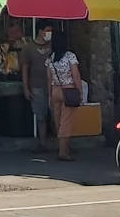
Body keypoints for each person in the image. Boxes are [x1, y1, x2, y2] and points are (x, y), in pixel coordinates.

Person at [46, 31, 82, 162]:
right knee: (66, 122)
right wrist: (80, 91)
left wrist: (50, 95)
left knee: (58, 121)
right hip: (69, 91)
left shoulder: (50, 58)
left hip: (55, 90)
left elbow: (49, 79)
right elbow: (76, 75)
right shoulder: (70, 57)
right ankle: (63, 152)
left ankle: (62, 147)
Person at [20, 20, 54, 149]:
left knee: (56, 114)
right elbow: (25, 68)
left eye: (50, 31)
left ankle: (61, 143)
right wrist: (26, 88)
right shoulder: (28, 48)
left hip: (54, 84)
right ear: (40, 31)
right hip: (37, 85)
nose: (49, 34)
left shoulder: (53, 45)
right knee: (41, 115)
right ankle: (43, 143)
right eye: (47, 31)